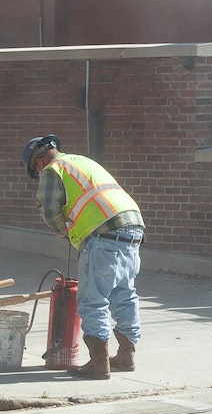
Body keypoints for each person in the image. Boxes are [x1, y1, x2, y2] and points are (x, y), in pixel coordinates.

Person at [22, 135, 144, 380]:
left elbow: (48, 207)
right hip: (132, 228)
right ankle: (126, 355)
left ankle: (99, 363)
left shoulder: (52, 169)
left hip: (103, 236)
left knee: (92, 300)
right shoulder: (81, 161)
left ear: (38, 163)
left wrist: (64, 230)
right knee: (124, 293)